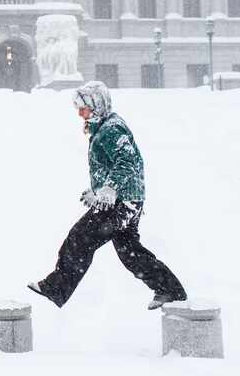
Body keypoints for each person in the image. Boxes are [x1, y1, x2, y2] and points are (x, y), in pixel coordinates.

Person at [28, 81, 187, 310]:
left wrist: (109, 189)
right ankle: (170, 290)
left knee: (79, 239)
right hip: (126, 200)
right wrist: (99, 191)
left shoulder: (112, 128)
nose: (80, 113)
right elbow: (112, 165)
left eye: (84, 108)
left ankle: (57, 287)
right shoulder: (103, 127)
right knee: (130, 253)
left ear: (97, 105)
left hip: (121, 202)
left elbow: (127, 161)